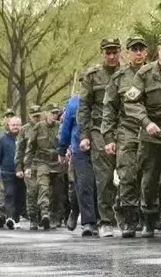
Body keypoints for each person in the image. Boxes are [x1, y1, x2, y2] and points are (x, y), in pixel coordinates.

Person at [128, 32, 161, 238]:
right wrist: (146, 122)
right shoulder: (145, 73)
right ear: (159, 50)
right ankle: (148, 218)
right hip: (152, 132)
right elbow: (131, 102)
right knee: (150, 179)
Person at [102, 36, 150, 238]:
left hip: (152, 131)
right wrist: (108, 138)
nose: (138, 53)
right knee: (128, 175)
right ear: (128, 53)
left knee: (149, 177)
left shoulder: (155, 73)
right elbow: (109, 109)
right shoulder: (119, 78)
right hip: (127, 131)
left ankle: (148, 216)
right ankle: (129, 219)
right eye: (134, 49)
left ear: (146, 52)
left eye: (141, 49)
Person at [78, 38, 123, 237]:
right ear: (102, 53)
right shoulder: (92, 76)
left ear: (120, 52)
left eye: (115, 52)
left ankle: (128, 217)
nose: (111, 56)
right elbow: (84, 107)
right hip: (99, 131)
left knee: (128, 175)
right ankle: (105, 221)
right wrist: (84, 135)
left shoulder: (129, 73)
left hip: (125, 130)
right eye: (108, 53)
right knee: (104, 178)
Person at [58, 94, 98, 236]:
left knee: (98, 185)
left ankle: (99, 219)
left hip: (101, 148)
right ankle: (87, 221)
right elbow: (66, 127)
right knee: (83, 185)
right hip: (79, 150)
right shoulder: (74, 103)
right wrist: (62, 149)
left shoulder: (103, 98)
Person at [26, 104, 64, 230]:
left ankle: (53, 216)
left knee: (57, 193)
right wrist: (27, 166)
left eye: (56, 113)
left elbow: (66, 142)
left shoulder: (60, 126)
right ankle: (44, 213)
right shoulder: (38, 127)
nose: (54, 115)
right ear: (46, 113)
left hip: (57, 163)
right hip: (42, 162)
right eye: (52, 113)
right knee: (43, 187)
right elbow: (30, 148)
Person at [0, 116, 24, 229]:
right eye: (13, 125)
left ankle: (16, 219)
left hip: (21, 172)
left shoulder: (24, 137)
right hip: (7, 172)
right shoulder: (3, 139)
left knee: (19, 196)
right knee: (9, 194)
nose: (15, 127)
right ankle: (10, 218)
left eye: (17, 125)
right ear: (9, 126)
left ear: (21, 126)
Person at [15, 108, 42, 230]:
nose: (37, 118)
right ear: (30, 116)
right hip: (29, 165)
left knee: (44, 191)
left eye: (38, 116)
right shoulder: (24, 130)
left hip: (44, 163)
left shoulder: (44, 126)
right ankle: (33, 218)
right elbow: (19, 150)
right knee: (32, 191)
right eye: (34, 116)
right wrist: (18, 168)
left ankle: (44, 215)